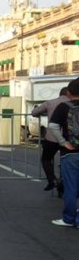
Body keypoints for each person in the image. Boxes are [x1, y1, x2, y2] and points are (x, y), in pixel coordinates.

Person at [48, 78, 79, 227]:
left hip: (70, 152)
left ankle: (68, 218)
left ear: (68, 92)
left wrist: (63, 142)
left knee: (71, 187)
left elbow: (53, 126)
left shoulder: (63, 106)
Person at [32, 87, 69, 193]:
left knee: (46, 159)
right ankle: (63, 183)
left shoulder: (50, 103)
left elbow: (34, 112)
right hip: (68, 138)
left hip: (52, 137)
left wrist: (43, 113)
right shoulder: (74, 104)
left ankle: (52, 180)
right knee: (66, 161)